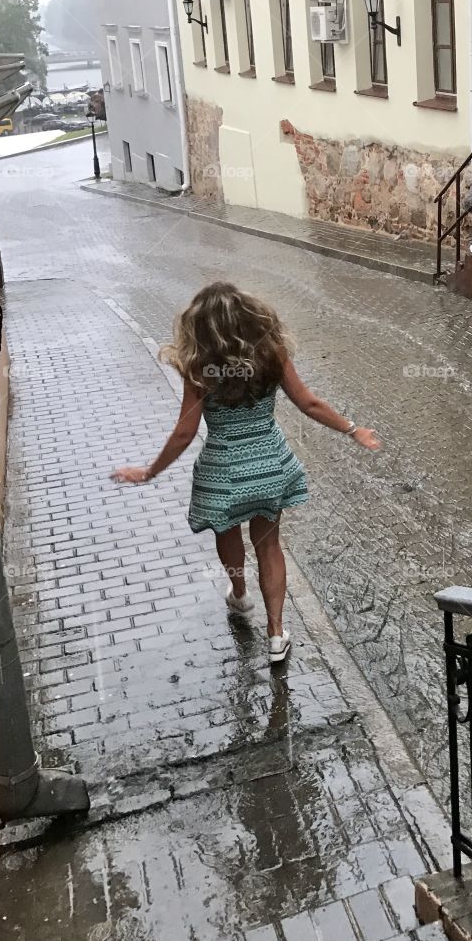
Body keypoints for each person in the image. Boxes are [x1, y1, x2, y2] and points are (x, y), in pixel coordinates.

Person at [112, 281, 381, 663]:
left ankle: (239, 594)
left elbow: (185, 432)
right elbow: (309, 403)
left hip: (224, 470)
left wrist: (150, 471)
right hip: (270, 464)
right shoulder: (272, 353)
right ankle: (275, 634)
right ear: (251, 315)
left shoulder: (199, 367)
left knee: (227, 532)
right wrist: (354, 430)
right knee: (269, 544)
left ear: (201, 325)